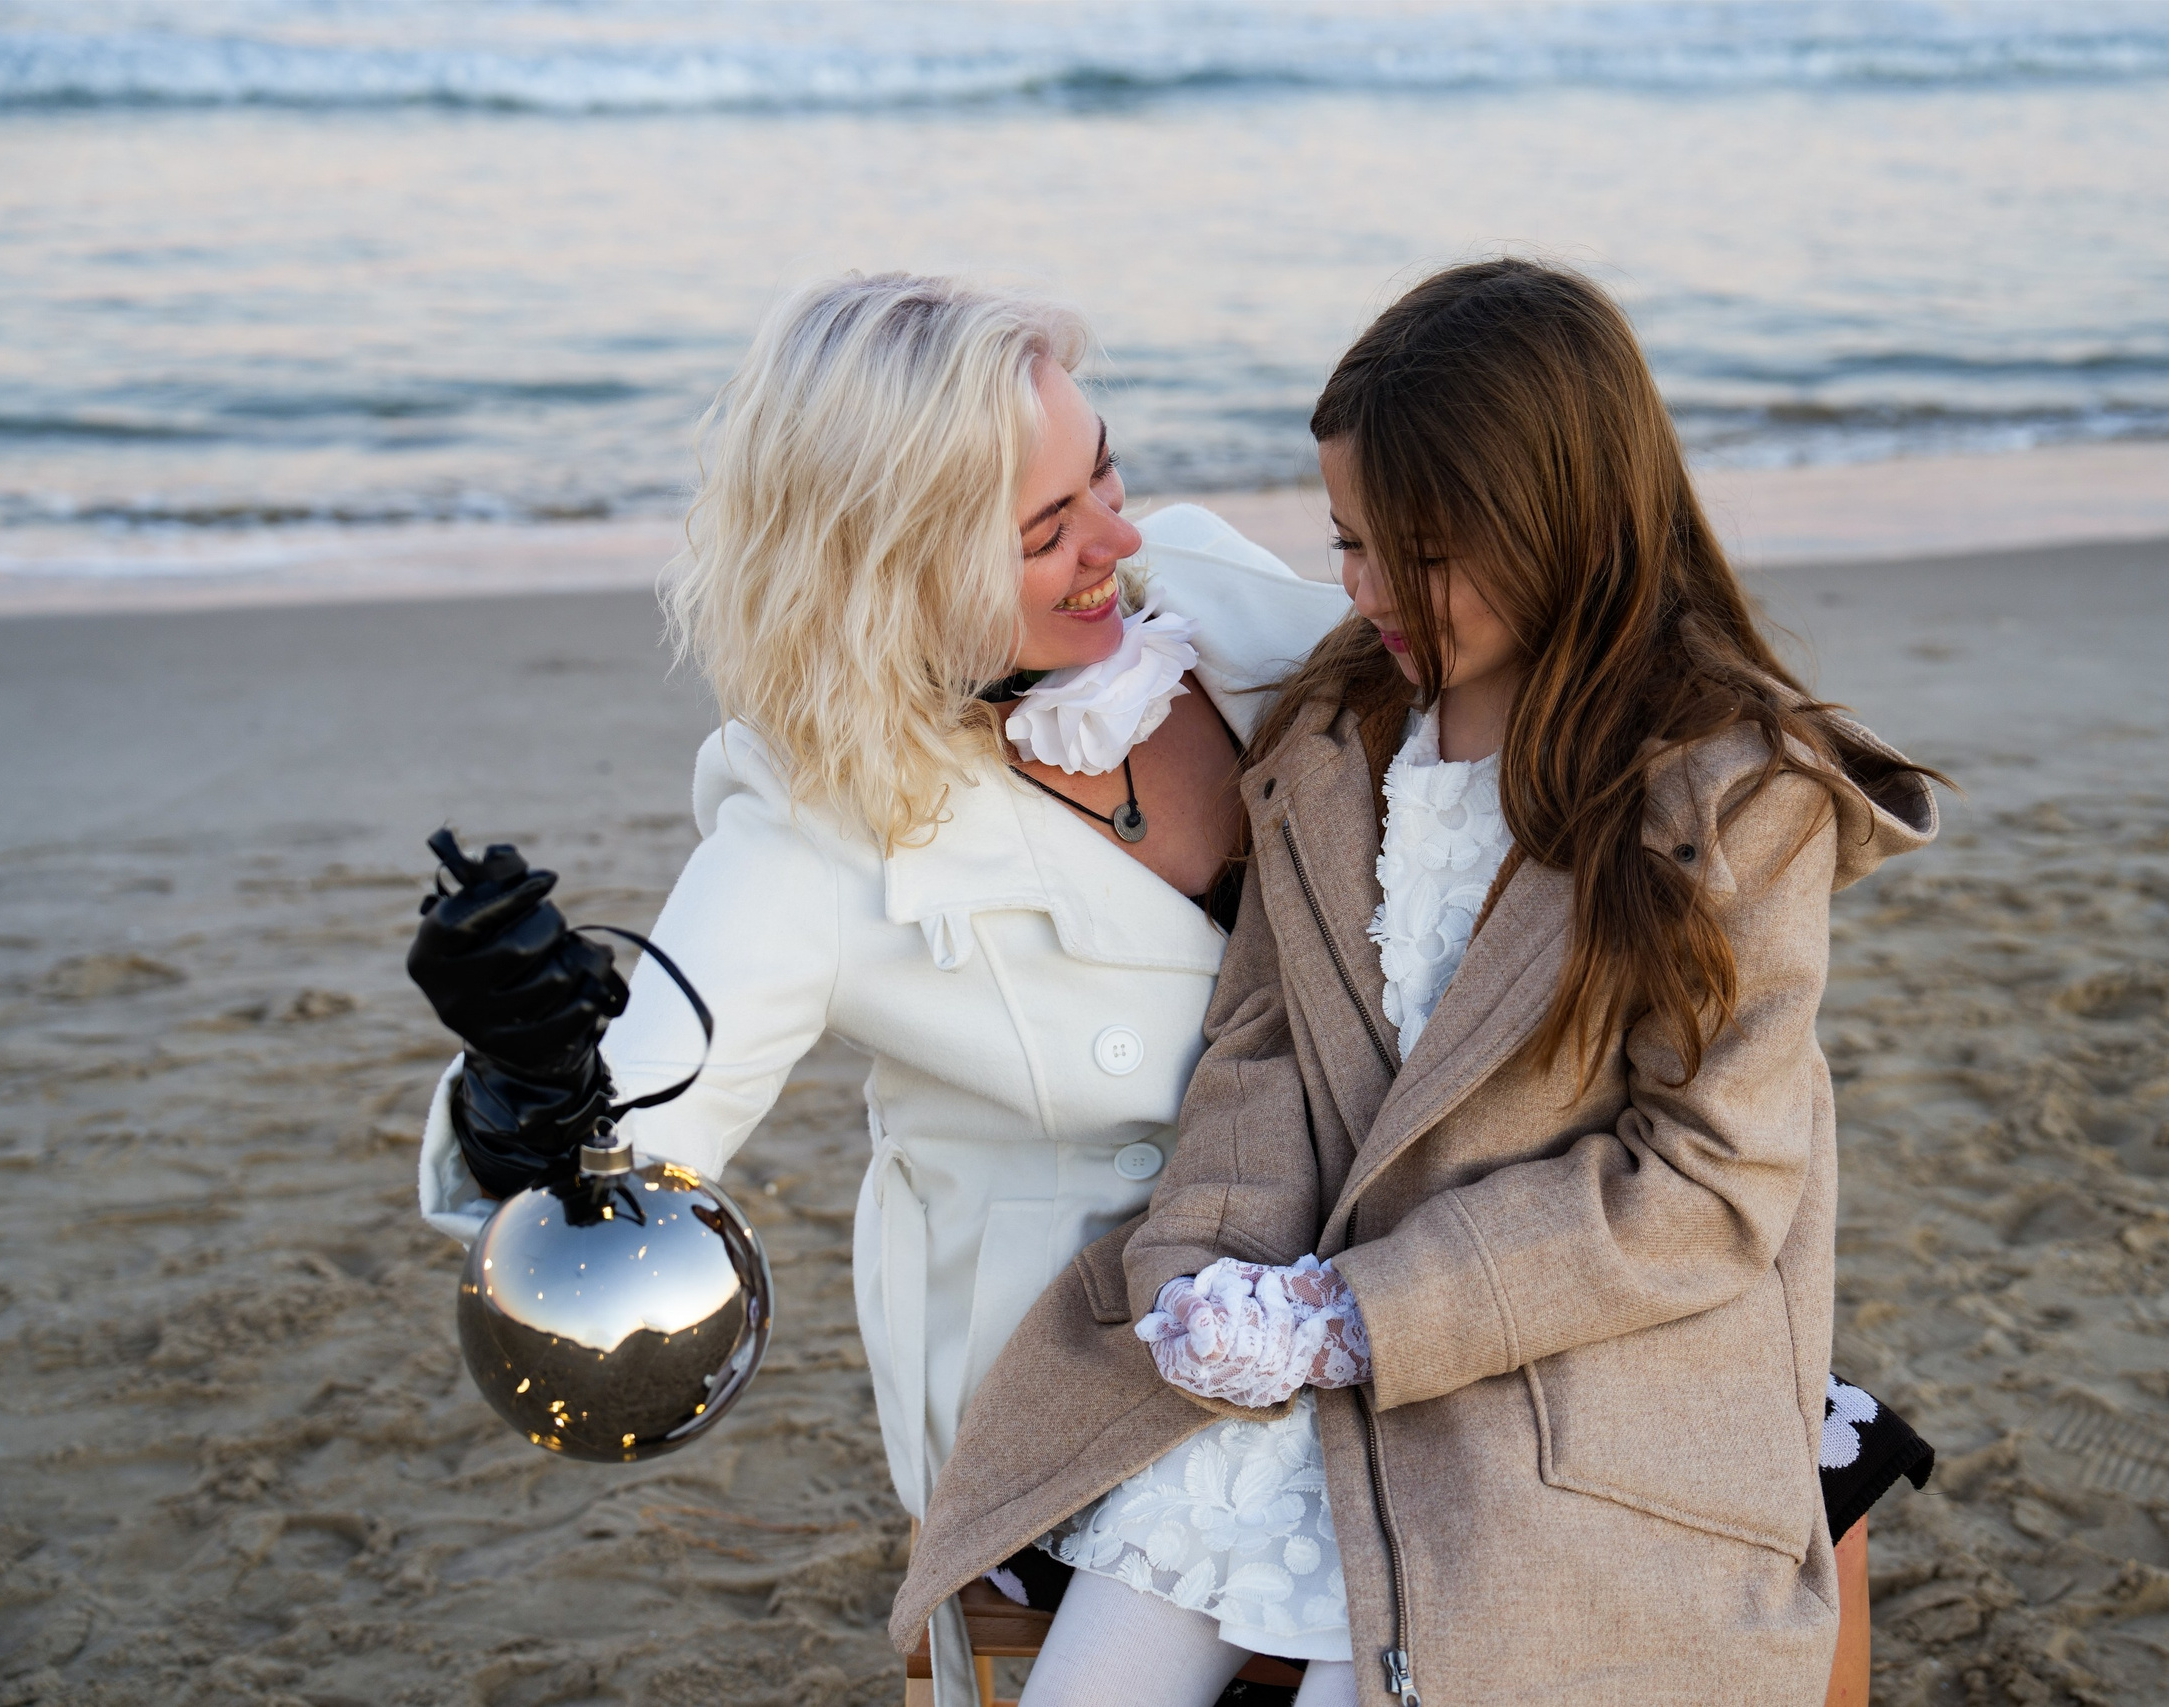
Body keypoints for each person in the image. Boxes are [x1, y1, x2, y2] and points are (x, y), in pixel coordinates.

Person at [892, 259, 1942, 1706]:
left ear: (1563, 523)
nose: (1370, 589)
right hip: (1308, 1360)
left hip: (1570, 1371)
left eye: (1420, 552)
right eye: (1347, 542)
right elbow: (1262, 1043)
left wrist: (1365, 1312)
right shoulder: (1342, 731)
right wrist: (1203, 1260)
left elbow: (1708, 1188)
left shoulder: (1735, 796)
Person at [401, 272, 1350, 1707]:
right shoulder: (816, 823)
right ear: (899, 559)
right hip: (1089, 1391)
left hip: (1362, 1277)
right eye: (1048, 530)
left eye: (1106, 473)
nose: (1121, 540)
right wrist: (523, 1079)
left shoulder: (1218, 606)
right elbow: (628, 1152)